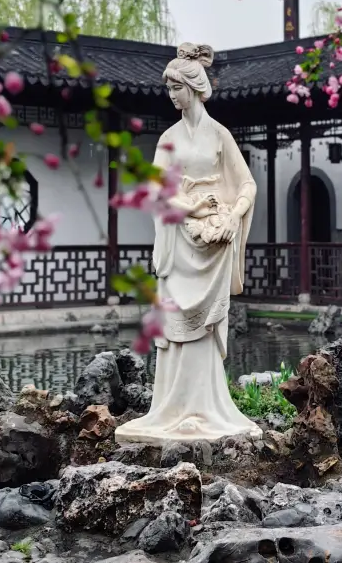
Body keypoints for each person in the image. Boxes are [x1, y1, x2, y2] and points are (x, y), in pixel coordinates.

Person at [115, 42, 261, 444]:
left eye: (175, 87)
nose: (170, 95)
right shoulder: (168, 138)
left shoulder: (219, 135)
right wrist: (192, 208)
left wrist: (233, 214)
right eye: (168, 88)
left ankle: (207, 406)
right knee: (176, 321)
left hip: (214, 238)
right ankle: (173, 406)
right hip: (181, 236)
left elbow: (246, 182)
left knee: (206, 328)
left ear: (193, 88)